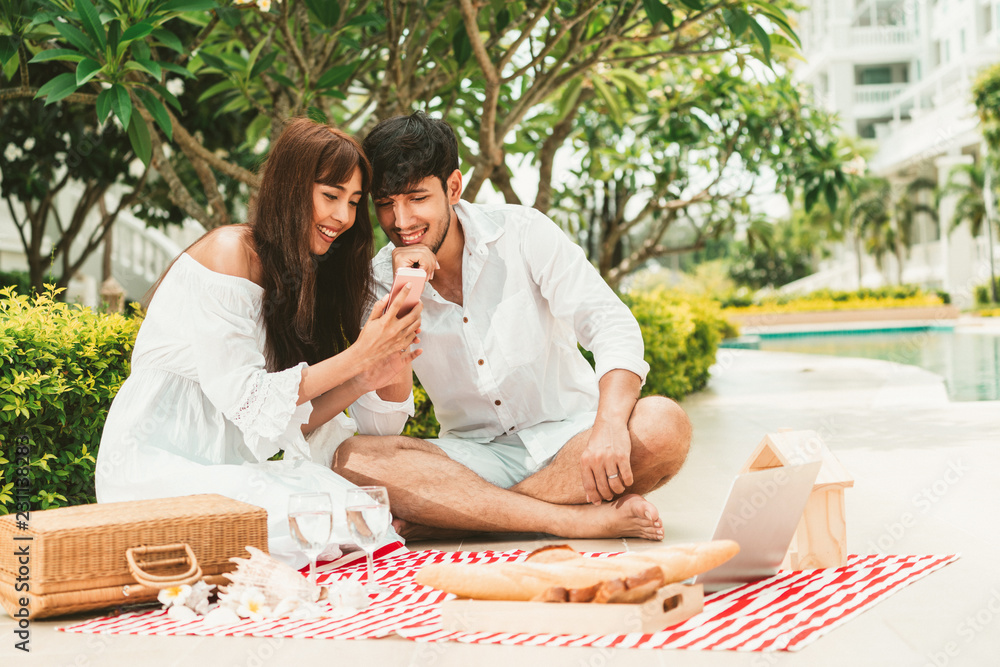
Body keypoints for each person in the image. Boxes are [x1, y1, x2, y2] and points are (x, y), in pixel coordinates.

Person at [333, 112, 691, 540]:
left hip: (573, 440)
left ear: (453, 187)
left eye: (416, 198)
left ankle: (458, 517)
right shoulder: (378, 283)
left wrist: (610, 425)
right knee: (352, 459)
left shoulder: (522, 232)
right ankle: (567, 518)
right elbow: (382, 432)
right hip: (474, 456)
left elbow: (609, 323)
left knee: (663, 424)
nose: (402, 220)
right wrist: (399, 310)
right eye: (386, 204)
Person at [97, 119, 422, 562]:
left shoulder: (296, 274)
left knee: (356, 513)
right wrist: (358, 355)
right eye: (330, 196)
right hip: (152, 467)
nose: (343, 218)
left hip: (227, 470)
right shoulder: (229, 253)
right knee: (324, 520)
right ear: (291, 188)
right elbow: (247, 398)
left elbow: (276, 426)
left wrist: (365, 377)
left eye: (353, 201)